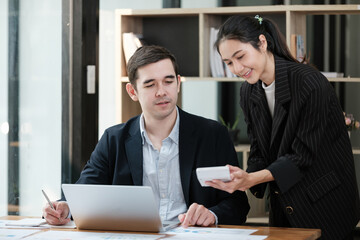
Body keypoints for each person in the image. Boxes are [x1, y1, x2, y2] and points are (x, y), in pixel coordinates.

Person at [42, 45, 249, 227]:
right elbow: (84, 192)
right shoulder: (114, 139)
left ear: (178, 83)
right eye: (150, 85)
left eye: (168, 81)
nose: (161, 92)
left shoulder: (211, 134)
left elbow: (238, 204)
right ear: (132, 91)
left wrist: (212, 215)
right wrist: (64, 208)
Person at [206, 15, 360, 240]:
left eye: (241, 57)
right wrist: (242, 177)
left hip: (326, 206)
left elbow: (302, 156)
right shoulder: (249, 92)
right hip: (285, 207)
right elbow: (260, 149)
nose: (237, 68)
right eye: (228, 63)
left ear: (262, 42)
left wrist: (252, 179)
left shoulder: (310, 83)